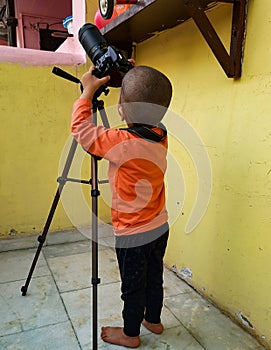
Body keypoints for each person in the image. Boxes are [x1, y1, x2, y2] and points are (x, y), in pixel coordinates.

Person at [71, 64, 172, 348]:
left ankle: (130, 334)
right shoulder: (161, 134)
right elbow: (145, 109)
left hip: (132, 234)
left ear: (122, 109)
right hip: (159, 226)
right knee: (153, 276)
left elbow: (81, 129)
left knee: (132, 286)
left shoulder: (122, 143)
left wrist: (87, 93)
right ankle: (153, 319)